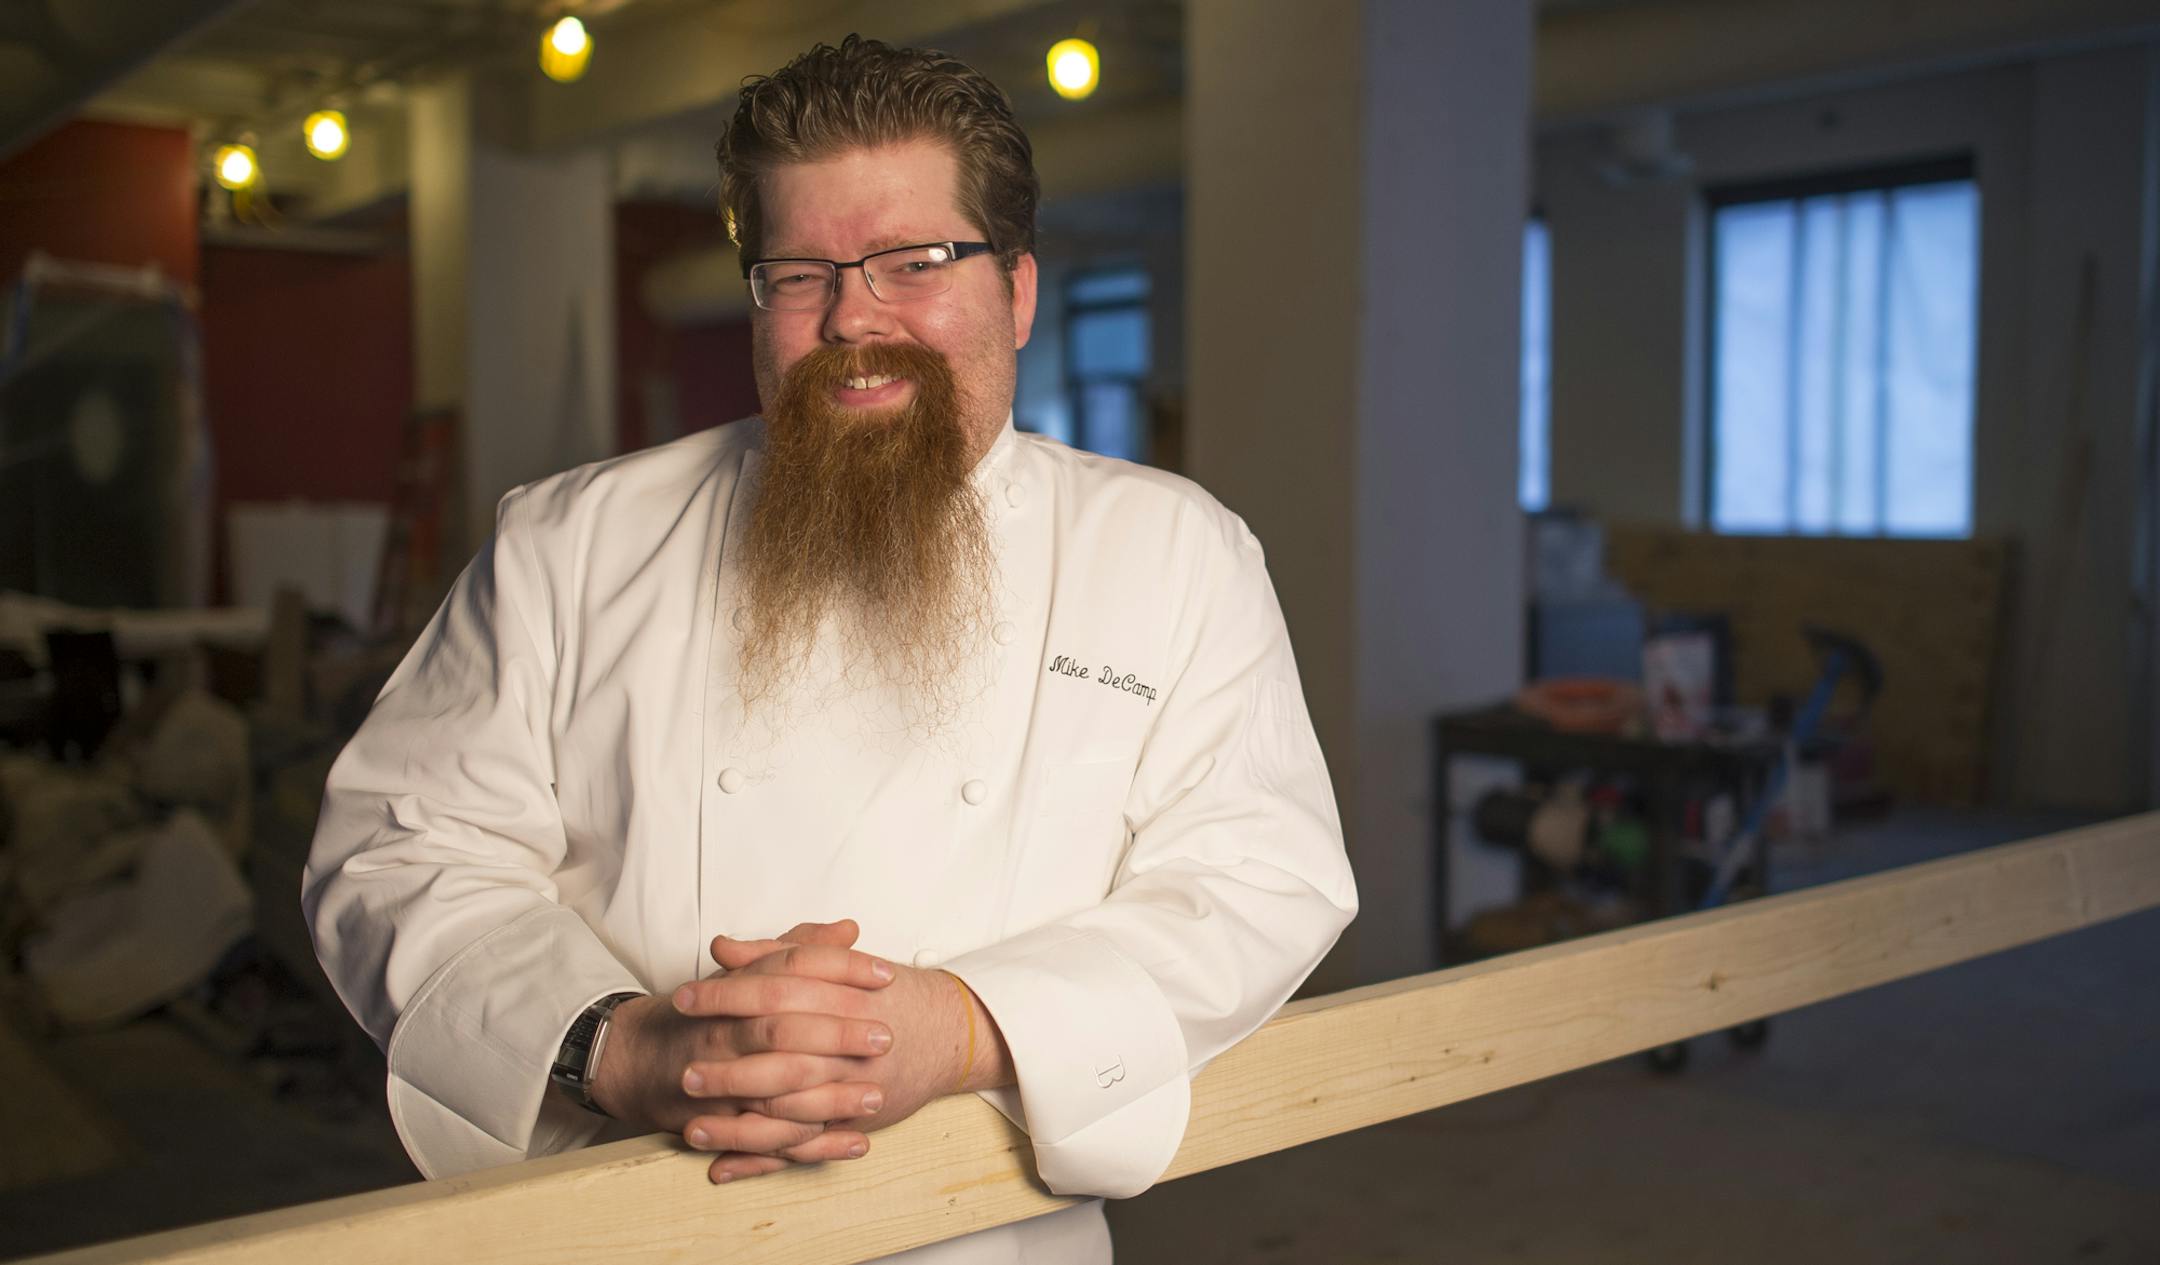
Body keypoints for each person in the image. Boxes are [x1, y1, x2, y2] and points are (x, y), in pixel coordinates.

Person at [304, 34, 1355, 1264]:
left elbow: (1260, 875)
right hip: (628, 1230)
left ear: (1016, 289)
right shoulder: (572, 540)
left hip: (985, 1237)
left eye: (916, 261)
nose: (854, 314)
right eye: (798, 272)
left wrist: (964, 1028)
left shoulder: (1175, 552)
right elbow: (398, 845)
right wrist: (626, 1045)